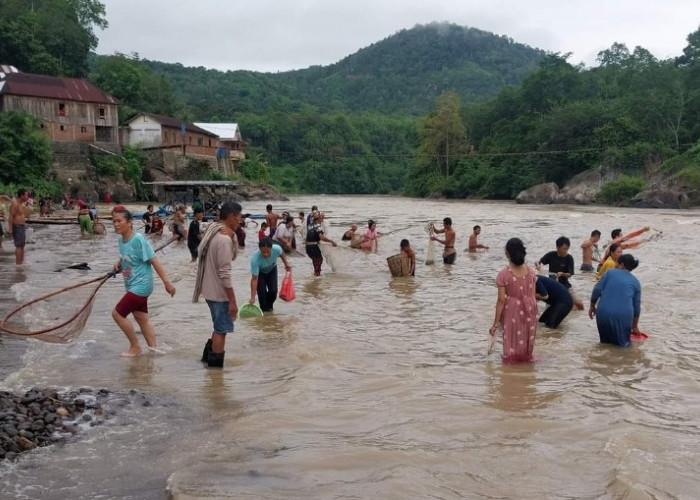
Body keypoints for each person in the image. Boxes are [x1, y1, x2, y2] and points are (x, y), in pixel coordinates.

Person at [111, 208, 176, 357]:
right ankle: (154, 350)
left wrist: (167, 283)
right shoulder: (121, 240)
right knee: (142, 319)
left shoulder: (138, 239)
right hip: (132, 285)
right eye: (114, 221)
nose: (116, 224)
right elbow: (127, 258)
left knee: (117, 314)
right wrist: (118, 264)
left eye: (119, 221)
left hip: (141, 285)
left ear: (129, 222)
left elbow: (154, 261)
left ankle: (135, 347)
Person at [193, 201, 242, 368]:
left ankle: (206, 362)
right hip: (219, 294)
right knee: (221, 330)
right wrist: (233, 301)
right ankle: (215, 372)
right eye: (239, 217)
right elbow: (225, 273)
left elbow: (230, 259)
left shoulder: (213, 232)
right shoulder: (223, 239)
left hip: (209, 291)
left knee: (218, 327)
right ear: (231, 217)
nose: (240, 221)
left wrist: (233, 236)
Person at [490, 238, 538, 363]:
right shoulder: (531, 271)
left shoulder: (503, 274)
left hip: (512, 310)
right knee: (526, 339)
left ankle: (510, 370)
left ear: (507, 254)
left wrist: (495, 323)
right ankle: (525, 366)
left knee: (511, 340)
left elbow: (501, 300)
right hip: (530, 309)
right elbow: (533, 295)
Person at [589, 254, 641, 347]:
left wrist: (592, 306)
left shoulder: (610, 273)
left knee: (604, 345)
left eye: (617, 262)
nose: (616, 264)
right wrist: (634, 327)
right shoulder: (636, 282)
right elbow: (636, 308)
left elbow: (597, 289)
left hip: (603, 314)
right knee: (623, 347)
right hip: (622, 317)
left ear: (622, 264)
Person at [537, 236, 584, 310]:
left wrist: (562, 274)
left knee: (579, 303)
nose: (566, 251)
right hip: (552, 286)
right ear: (557, 248)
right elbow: (539, 262)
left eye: (567, 248)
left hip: (565, 285)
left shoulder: (569, 258)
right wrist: (538, 265)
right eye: (564, 249)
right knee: (551, 308)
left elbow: (570, 274)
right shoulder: (551, 255)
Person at [249, 237, 292, 312]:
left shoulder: (276, 249)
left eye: (268, 252)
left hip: (272, 270)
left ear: (271, 249)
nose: (265, 254)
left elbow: (282, 253)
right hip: (261, 273)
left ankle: (269, 310)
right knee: (262, 294)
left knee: (273, 291)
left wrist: (286, 263)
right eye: (263, 252)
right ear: (259, 250)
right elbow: (254, 279)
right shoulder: (255, 259)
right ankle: (264, 313)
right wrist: (252, 297)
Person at [305, 210, 337, 276]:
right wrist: (332, 241)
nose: (322, 220)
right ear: (318, 218)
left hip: (308, 247)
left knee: (316, 261)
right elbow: (322, 237)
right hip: (314, 247)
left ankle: (315, 276)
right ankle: (316, 278)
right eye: (322, 218)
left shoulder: (310, 225)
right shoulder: (318, 226)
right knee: (318, 261)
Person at [9, 189, 29, 265]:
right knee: (19, 246)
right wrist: (10, 228)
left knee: (22, 245)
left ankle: (21, 263)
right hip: (17, 226)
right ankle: (18, 264)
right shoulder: (15, 203)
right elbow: (11, 216)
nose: (27, 197)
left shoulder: (21, 203)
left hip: (21, 226)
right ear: (21, 195)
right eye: (26, 195)